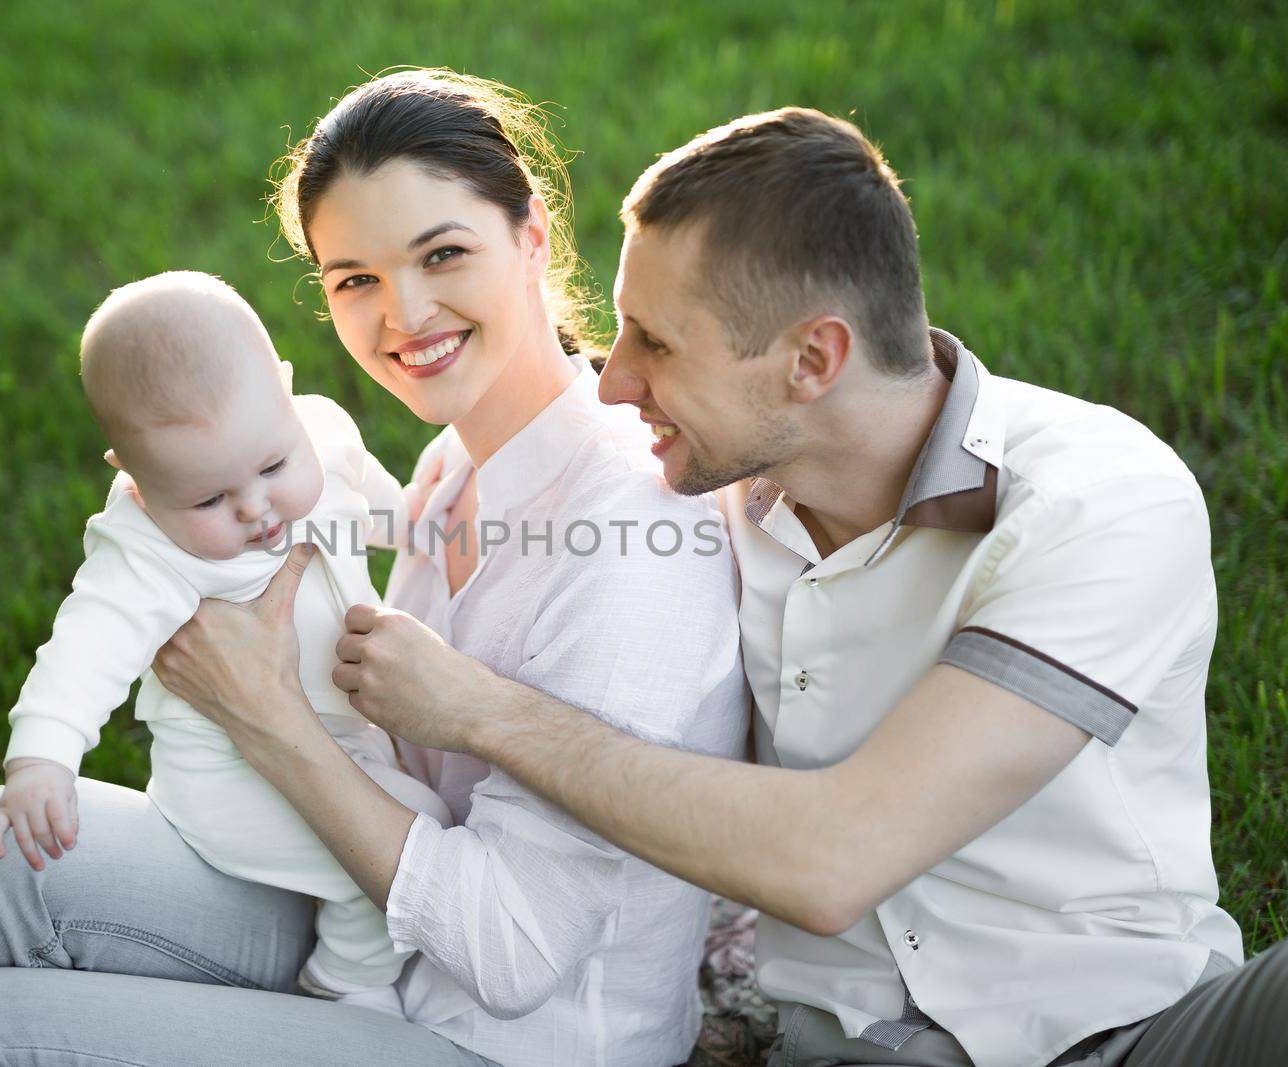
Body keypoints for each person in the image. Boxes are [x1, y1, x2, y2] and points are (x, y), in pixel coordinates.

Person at [332, 108, 1288, 1066]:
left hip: (1122, 1036)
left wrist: (485, 712)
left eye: (656, 345)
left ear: (813, 360)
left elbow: (835, 859)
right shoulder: (714, 496)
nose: (614, 382)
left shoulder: (1098, 504)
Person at [0, 71, 749, 1067]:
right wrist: (167, 511)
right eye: (354, 279)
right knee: (6, 855)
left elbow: (515, 955)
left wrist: (268, 716)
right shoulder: (452, 467)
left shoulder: (625, 537)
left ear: (532, 234)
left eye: (442, 253)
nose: (403, 313)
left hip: (504, 1035)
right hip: (380, 925)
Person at [0, 270, 452, 1016]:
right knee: (391, 855)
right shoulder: (148, 548)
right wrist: (42, 755)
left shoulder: (321, 434)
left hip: (340, 740)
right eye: (208, 499)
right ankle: (345, 978)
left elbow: (367, 493)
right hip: (224, 777)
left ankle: (339, 942)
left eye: (272, 466)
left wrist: (410, 523)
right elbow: (86, 644)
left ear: (285, 388)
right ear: (133, 479)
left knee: (417, 814)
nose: (256, 508)